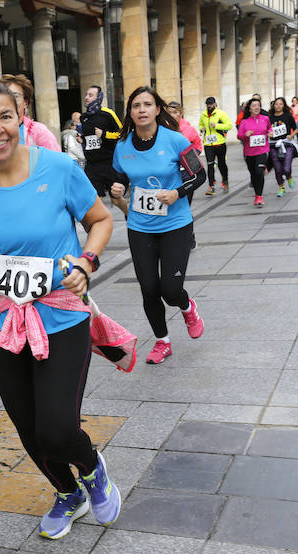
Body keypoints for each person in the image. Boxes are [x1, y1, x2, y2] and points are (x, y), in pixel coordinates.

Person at [0, 81, 130, 541]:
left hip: (61, 314)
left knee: (58, 427)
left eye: (4, 116)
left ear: (20, 118)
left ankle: (92, 469)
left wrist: (87, 261)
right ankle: (69, 493)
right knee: (28, 428)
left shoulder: (59, 168)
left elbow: (100, 220)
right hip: (3, 324)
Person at [110, 86, 206, 365]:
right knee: (149, 288)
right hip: (140, 226)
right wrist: (117, 188)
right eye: (136, 105)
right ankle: (162, 341)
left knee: (171, 289)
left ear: (157, 110)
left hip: (175, 223)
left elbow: (199, 175)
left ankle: (187, 307)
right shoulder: (123, 145)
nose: (141, 110)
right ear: (130, 112)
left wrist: (178, 193)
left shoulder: (175, 140)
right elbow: (120, 178)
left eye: (147, 104)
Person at [79, 85, 128, 218]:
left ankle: (130, 215)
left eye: (90, 95)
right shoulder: (84, 117)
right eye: (86, 94)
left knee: (116, 200)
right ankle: (101, 226)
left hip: (109, 163)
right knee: (94, 200)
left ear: (98, 97)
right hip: (91, 165)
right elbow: (89, 139)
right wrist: (81, 139)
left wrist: (105, 134)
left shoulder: (108, 114)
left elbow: (122, 134)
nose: (86, 97)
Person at [0, 74, 60, 151]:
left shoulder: (38, 131)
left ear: (25, 103)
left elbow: (55, 160)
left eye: (15, 96)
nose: (9, 101)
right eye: (4, 96)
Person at [237, 98, 272, 207]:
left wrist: (270, 133)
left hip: (262, 150)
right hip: (249, 152)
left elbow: (269, 129)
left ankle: (259, 196)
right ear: (250, 109)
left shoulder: (265, 119)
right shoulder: (244, 121)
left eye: (258, 105)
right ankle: (257, 193)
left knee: (259, 172)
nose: (256, 108)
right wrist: (245, 135)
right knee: (253, 174)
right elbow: (239, 136)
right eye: (254, 106)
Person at [198, 96, 233, 195]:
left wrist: (217, 126)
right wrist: (202, 128)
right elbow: (200, 125)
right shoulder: (203, 115)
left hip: (220, 143)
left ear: (215, 104)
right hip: (208, 144)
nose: (209, 106)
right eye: (208, 104)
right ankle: (211, 186)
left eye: (211, 104)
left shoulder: (221, 113)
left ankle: (225, 181)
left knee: (222, 164)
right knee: (210, 165)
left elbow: (228, 125)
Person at [268, 97, 298, 198]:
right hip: (273, 145)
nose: (278, 106)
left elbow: (296, 128)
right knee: (277, 168)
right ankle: (281, 187)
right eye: (276, 104)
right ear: (273, 105)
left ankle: (289, 177)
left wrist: (291, 135)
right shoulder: (270, 118)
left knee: (286, 167)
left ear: (284, 105)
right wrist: (269, 134)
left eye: (280, 104)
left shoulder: (288, 116)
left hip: (286, 144)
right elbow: (266, 130)